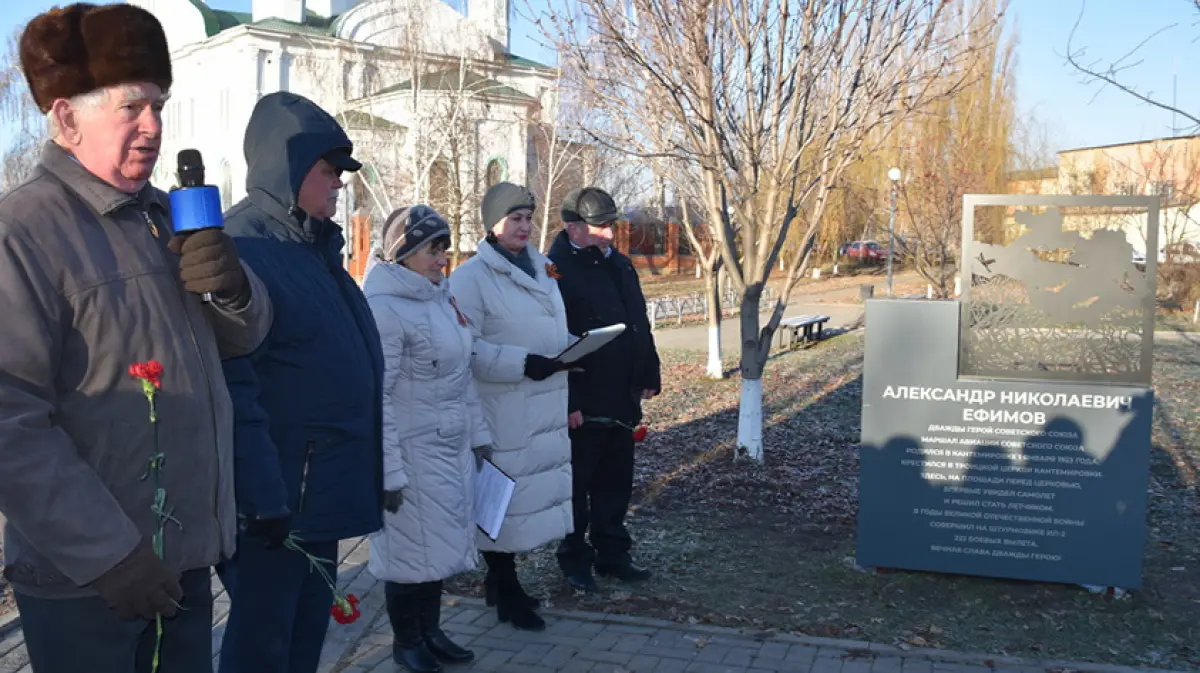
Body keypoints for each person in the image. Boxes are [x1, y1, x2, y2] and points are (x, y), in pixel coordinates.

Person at [0, 4, 273, 673]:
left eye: (159, 105)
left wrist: (234, 288)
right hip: (89, 582)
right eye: (131, 108)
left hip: (177, 560)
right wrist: (110, 555)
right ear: (67, 118)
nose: (152, 126)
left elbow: (242, 340)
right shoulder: (23, 232)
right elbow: (10, 422)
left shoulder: (166, 217)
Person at [215, 91, 385, 673]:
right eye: (328, 169)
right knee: (261, 647)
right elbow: (235, 383)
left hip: (317, 491)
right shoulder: (243, 249)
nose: (340, 183)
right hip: (274, 505)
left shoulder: (314, 247)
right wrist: (261, 500)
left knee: (302, 640)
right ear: (287, 171)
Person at [363, 205, 492, 673]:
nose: (443, 258)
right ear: (404, 253)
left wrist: (479, 436)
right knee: (408, 553)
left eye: (444, 247)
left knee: (435, 548)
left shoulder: (441, 298)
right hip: (411, 454)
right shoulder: (385, 309)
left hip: (448, 447)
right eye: (433, 249)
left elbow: (463, 376)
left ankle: (431, 631)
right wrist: (388, 471)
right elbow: (376, 398)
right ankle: (406, 641)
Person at [450, 182, 574, 631]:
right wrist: (522, 362)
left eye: (528, 218)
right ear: (492, 223)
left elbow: (549, 326)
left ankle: (503, 585)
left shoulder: (543, 266)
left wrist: (570, 352)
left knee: (525, 499)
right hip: (500, 406)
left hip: (542, 401)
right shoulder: (470, 278)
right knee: (502, 502)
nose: (524, 227)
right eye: (514, 218)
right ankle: (504, 585)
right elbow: (464, 346)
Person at [549, 187, 661, 592]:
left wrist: (648, 370)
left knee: (616, 480)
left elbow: (638, 321)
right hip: (583, 396)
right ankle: (575, 557)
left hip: (621, 393)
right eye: (601, 228)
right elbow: (551, 342)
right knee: (578, 485)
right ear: (574, 227)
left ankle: (613, 552)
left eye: (611, 226)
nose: (611, 235)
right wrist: (568, 400)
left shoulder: (620, 265)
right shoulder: (554, 270)